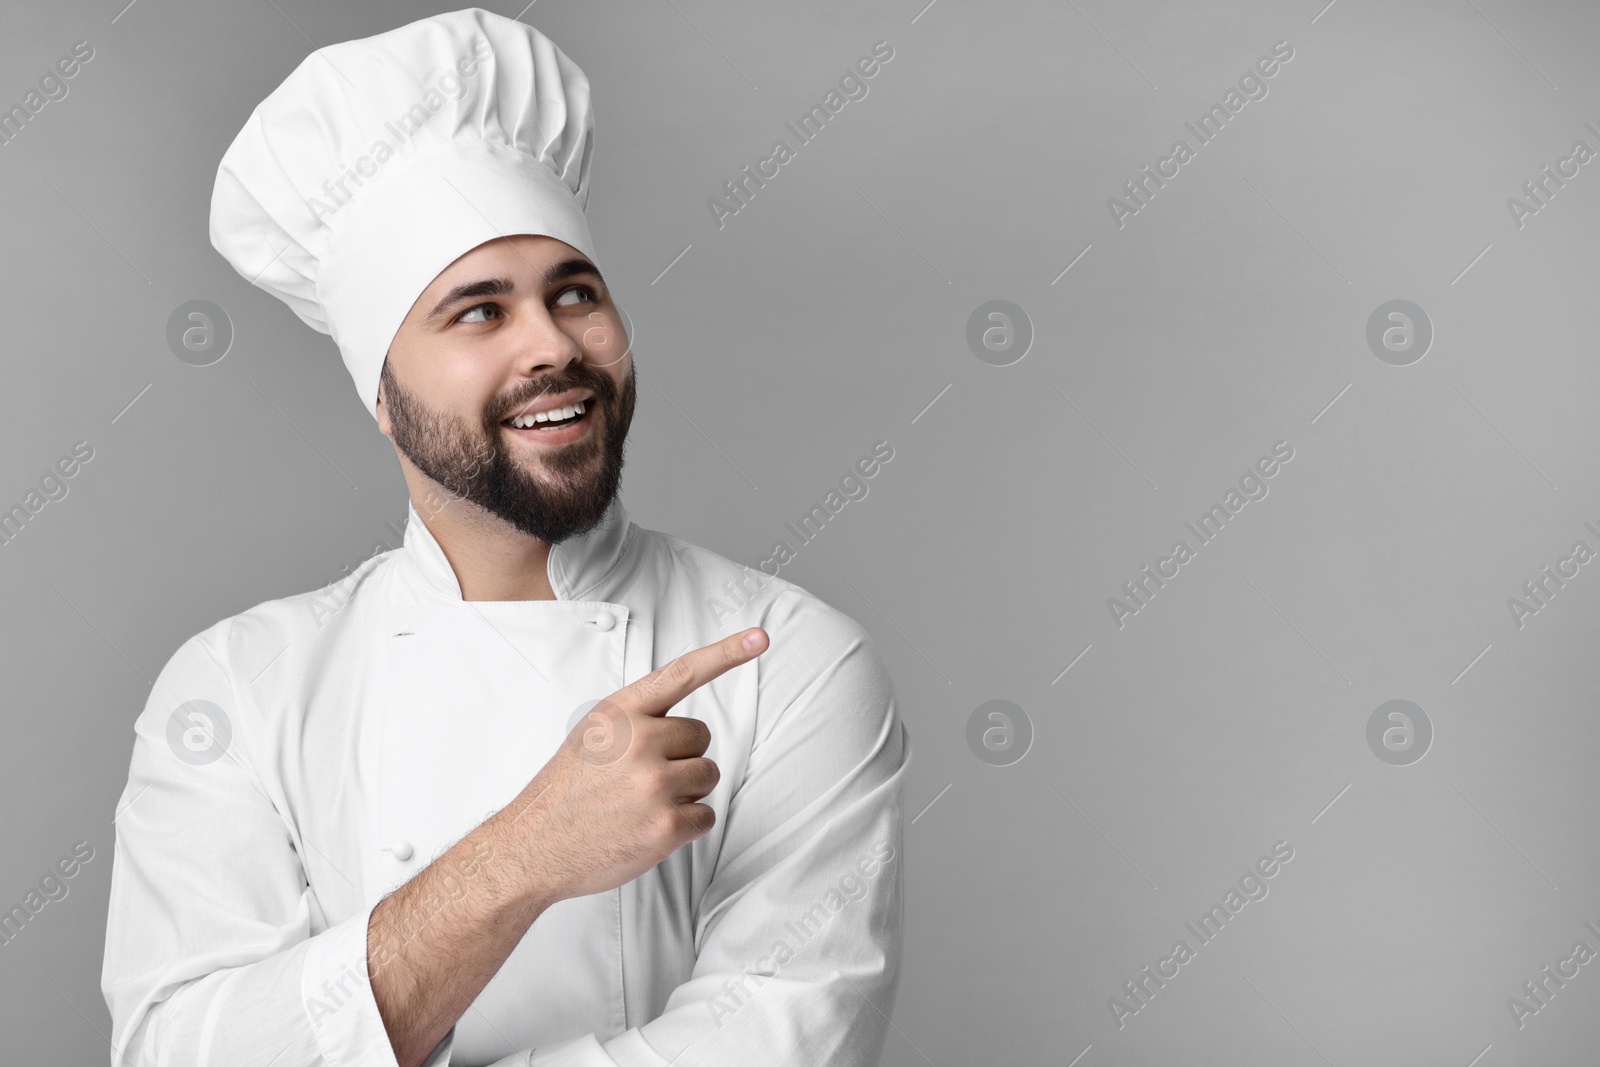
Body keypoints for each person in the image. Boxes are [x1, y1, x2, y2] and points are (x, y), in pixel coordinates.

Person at [100, 9, 910, 1066]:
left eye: (575, 292)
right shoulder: (239, 687)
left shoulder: (791, 658)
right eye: (478, 312)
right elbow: (177, 1051)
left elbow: (782, 1040)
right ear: (382, 398)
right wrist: (525, 852)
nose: (553, 347)